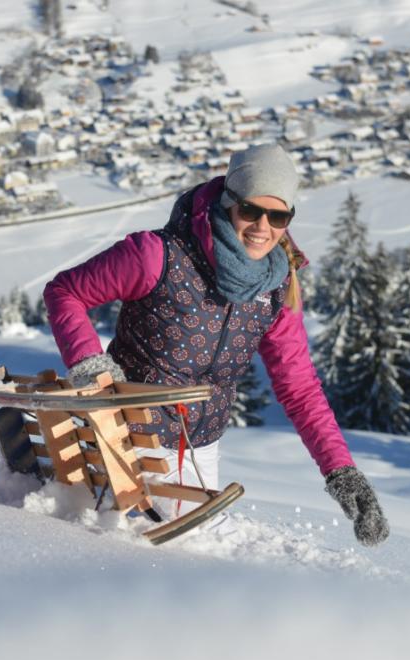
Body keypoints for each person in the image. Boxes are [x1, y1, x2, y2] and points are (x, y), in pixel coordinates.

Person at [44, 143, 390, 546]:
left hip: (202, 446)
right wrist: (91, 363)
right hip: (127, 437)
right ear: (229, 203)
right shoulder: (158, 256)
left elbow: (299, 387)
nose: (263, 226)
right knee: (171, 552)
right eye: (250, 210)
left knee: (196, 546)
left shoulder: (277, 284)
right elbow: (64, 291)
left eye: (278, 215)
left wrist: (340, 471)